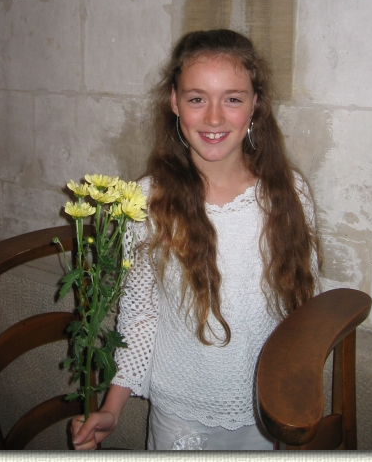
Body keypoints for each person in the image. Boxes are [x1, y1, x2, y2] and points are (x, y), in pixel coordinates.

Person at [71, 29, 320, 451]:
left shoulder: (289, 193)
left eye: (233, 99)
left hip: (268, 413)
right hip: (181, 416)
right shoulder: (148, 202)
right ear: (174, 102)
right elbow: (141, 316)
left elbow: (303, 309)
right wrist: (112, 408)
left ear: (256, 104)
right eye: (197, 98)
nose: (214, 118)